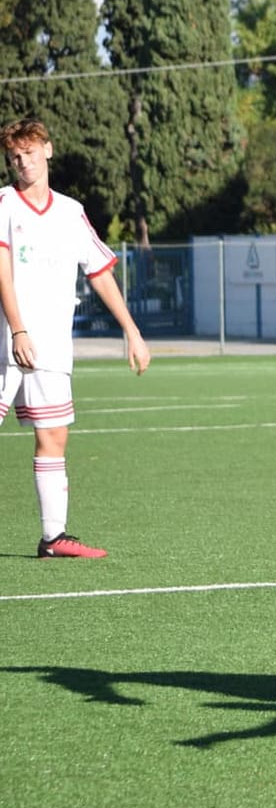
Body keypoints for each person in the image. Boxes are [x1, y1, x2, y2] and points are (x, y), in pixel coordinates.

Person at [0, 118, 151, 558]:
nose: (21, 161)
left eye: (28, 151)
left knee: (54, 435)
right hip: (8, 342)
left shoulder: (70, 211)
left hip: (50, 347)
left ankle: (53, 537)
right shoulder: (4, 204)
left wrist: (132, 331)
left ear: (47, 150)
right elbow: (2, 272)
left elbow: (100, 272)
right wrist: (18, 329)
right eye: (13, 156)